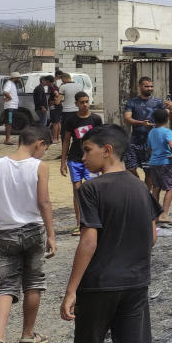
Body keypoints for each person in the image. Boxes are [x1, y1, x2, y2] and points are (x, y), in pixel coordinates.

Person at [59, 124, 161, 343]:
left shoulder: (90, 188)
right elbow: (152, 235)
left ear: (107, 150)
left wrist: (71, 290)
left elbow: (89, 239)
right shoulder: (139, 185)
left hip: (99, 284)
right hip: (135, 282)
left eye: (88, 150)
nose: (83, 157)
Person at [0, 125, 56, 343]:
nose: (44, 153)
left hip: (6, 233)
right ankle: (27, 335)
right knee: (33, 283)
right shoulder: (39, 167)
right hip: (33, 230)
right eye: (45, 148)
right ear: (39, 143)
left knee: (5, 286)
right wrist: (51, 234)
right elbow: (44, 202)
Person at [61, 92, 102, 236]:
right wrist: (63, 162)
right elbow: (66, 141)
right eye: (82, 102)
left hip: (92, 160)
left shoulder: (96, 119)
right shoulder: (71, 120)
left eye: (87, 101)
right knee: (77, 191)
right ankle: (79, 223)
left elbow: (101, 139)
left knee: (92, 189)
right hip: (75, 159)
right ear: (76, 104)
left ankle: (94, 220)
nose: (85, 104)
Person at [123, 76, 172, 183]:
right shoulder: (132, 102)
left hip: (151, 143)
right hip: (135, 141)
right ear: (140, 86)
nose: (150, 88)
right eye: (147, 86)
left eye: (151, 86)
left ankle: (147, 194)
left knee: (149, 171)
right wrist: (141, 123)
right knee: (130, 168)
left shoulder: (158, 102)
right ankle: (139, 185)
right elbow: (127, 118)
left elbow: (169, 117)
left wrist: (171, 108)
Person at [147, 109, 172, 224]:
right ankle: (164, 214)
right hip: (165, 163)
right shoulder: (167, 131)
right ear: (167, 119)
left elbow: (149, 148)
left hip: (153, 163)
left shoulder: (151, 132)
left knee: (156, 187)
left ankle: (155, 214)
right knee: (170, 188)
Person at [1, 72, 22, 145]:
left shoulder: (12, 84)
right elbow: (5, 92)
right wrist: (9, 98)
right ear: (14, 78)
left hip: (12, 107)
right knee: (9, 123)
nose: (19, 79)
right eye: (18, 78)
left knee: (10, 123)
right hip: (10, 107)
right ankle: (7, 140)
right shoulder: (9, 83)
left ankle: (8, 139)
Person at [49, 74, 63, 143]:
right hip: (57, 107)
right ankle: (57, 138)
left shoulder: (53, 87)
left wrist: (55, 101)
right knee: (58, 122)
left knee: (55, 123)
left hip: (55, 107)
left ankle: (55, 139)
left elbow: (57, 95)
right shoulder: (56, 87)